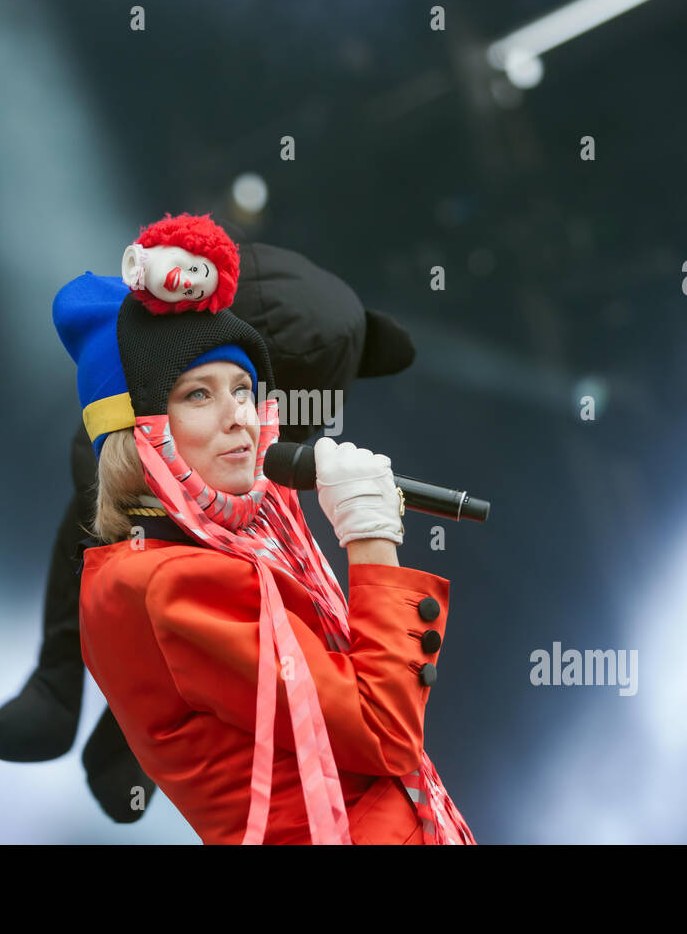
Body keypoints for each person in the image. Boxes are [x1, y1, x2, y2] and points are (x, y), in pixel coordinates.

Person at [52, 213, 475, 844]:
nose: (238, 420)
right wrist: (370, 543)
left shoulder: (216, 554)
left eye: (244, 391)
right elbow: (383, 732)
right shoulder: (165, 584)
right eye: (198, 395)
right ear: (140, 435)